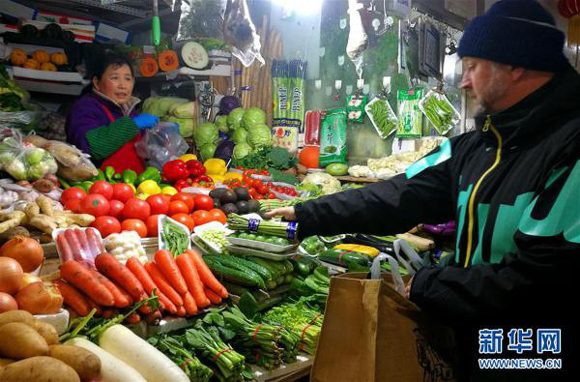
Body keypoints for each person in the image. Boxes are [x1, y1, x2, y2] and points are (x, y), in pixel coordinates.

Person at [268, 1, 579, 380]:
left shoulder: (571, 149)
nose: (465, 82)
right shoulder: (475, 147)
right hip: (479, 347)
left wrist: (432, 284)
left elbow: (542, 281)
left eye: (472, 67)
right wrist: (307, 214)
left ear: (515, 64)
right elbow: (403, 193)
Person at [65, 52, 158, 173]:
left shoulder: (129, 110)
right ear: (97, 82)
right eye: (114, 78)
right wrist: (133, 125)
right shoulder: (84, 108)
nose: (122, 85)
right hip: (98, 186)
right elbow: (91, 147)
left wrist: (159, 138)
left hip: (134, 185)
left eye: (128, 79)